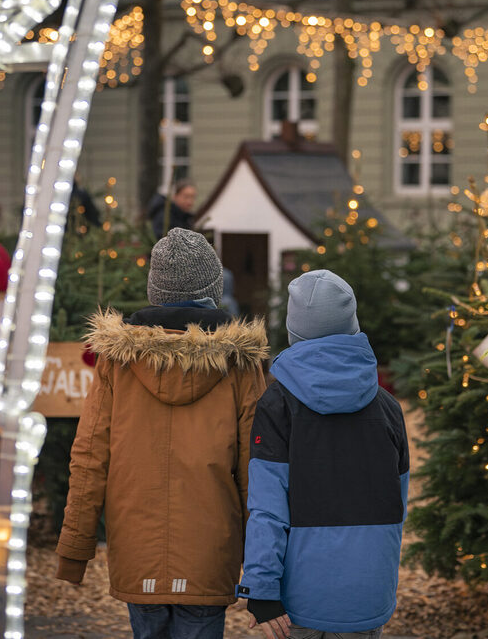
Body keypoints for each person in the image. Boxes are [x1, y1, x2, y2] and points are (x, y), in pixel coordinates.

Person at [56, 227, 268, 639]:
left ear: (156, 291)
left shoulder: (117, 362)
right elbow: (256, 469)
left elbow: (89, 458)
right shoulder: (241, 365)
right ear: (212, 289)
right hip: (210, 550)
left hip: (138, 547)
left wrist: (74, 551)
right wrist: (264, 567)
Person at [238, 269, 409, 639]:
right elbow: (398, 504)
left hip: (300, 596)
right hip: (369, 591)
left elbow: (267, 508)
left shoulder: (277, 405)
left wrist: (262, 590)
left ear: (294, 331)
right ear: (353, 325)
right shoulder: (388, 408)